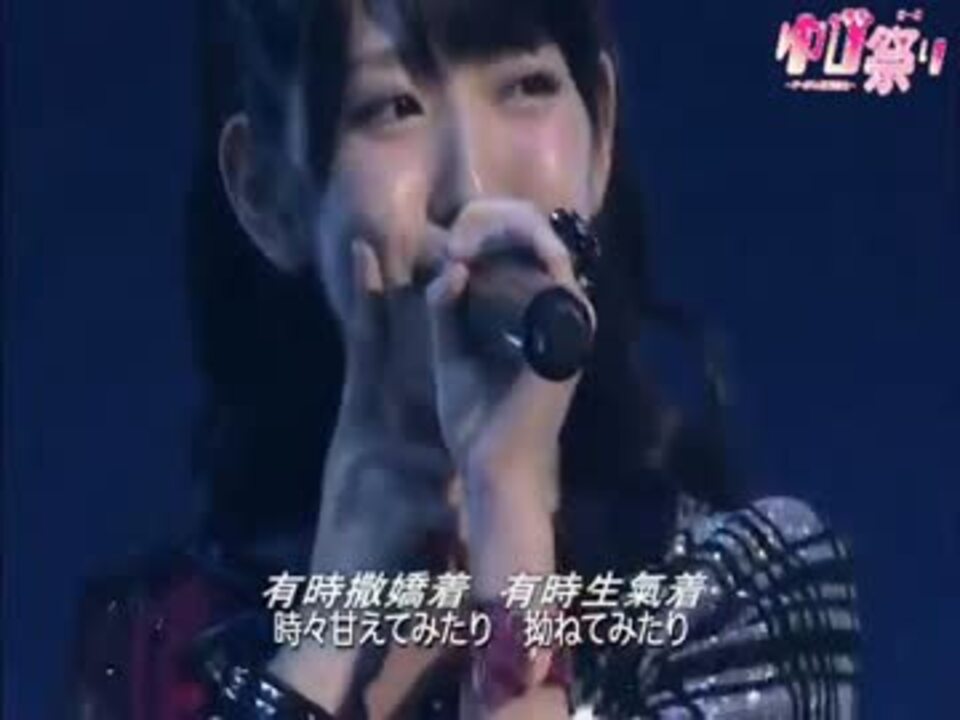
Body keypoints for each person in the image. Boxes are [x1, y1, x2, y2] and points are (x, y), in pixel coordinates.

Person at [73, 0, 860, 717]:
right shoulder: (155, 638)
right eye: (392, 107)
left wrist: (506, 501)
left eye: (524, 85)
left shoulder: (736, 587)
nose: (473, 185)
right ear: (266, 192)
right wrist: (331, 622)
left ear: (600, 132)